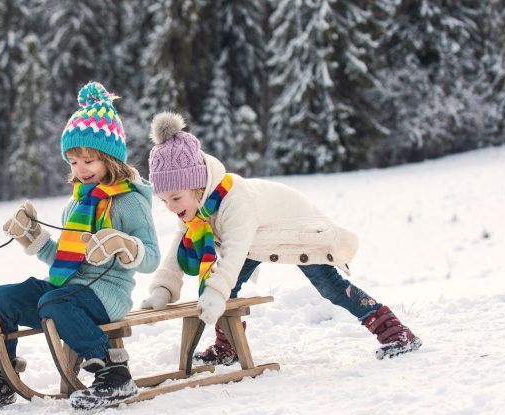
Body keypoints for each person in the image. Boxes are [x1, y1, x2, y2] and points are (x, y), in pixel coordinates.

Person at [139, 112, 421, 364]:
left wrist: (214, 293)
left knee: (329, 286)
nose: (171, 207)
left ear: (197, 185)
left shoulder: (235, 200)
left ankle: (395, 332)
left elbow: (234, 253)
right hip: (259, 236)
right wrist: (162, 289)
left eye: (175, 198)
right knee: (230, 284)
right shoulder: (198, 207)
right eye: (163, 200)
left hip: (298, 229)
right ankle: (228, 348)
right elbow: (179, 246)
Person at [0, 82, 160, 411]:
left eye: (88, 160)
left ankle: (114, 375)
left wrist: (122, 244)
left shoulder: (129, 202)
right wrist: (32, 235)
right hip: (65, 291)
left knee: (54, 301)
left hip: (106, 295)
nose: (80, 169)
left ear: (110, 158)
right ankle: (1, 377)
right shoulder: (76, 204)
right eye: (73, 162)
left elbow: (151, 258)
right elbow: (65, 259)